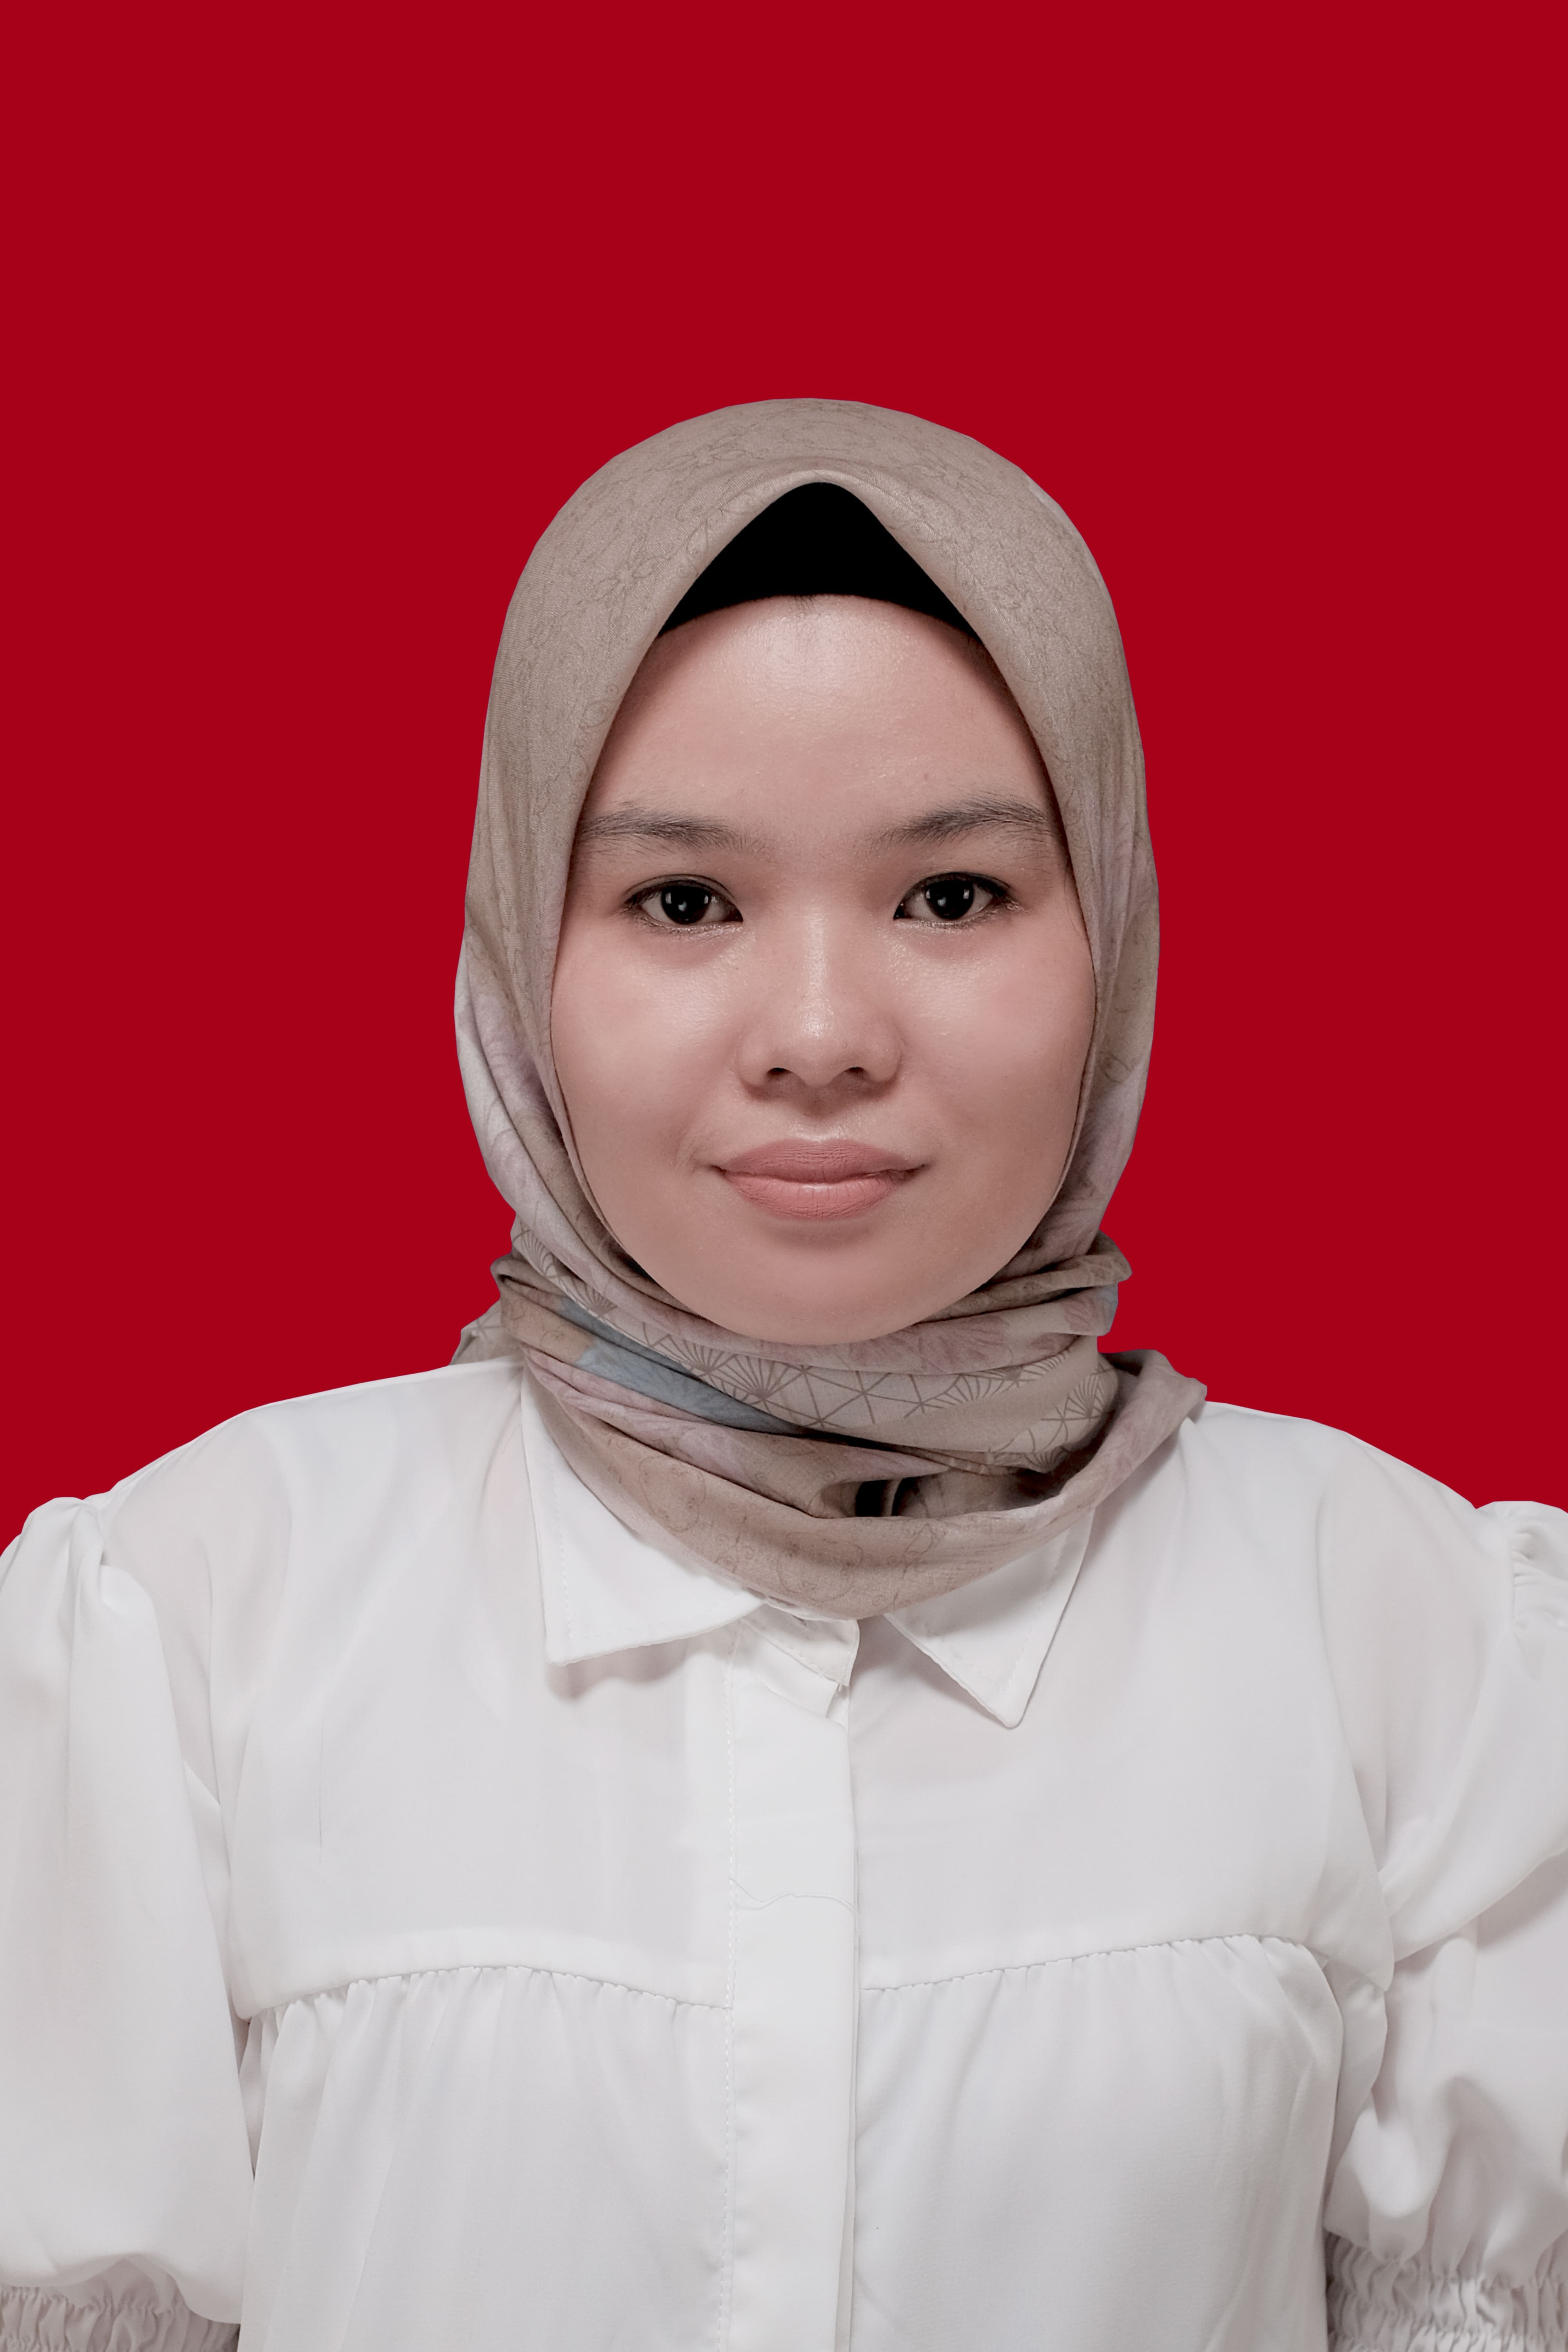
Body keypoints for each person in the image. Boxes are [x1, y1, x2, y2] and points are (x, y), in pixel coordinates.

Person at [1, 399, 1564, 2352]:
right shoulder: (195, 1616)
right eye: (683, 902)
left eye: (951, 896)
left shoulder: (1403, 1631)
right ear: (522, 954)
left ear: (1112, 935)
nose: (819, 1035)